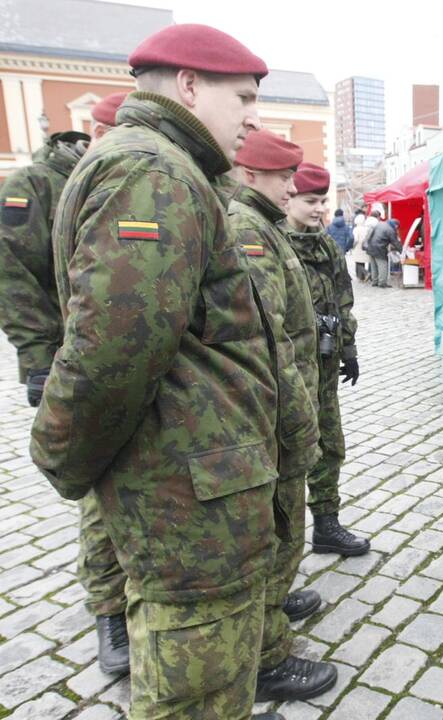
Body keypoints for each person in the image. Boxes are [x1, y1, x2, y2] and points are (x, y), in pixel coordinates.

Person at [30, 23, 285, 720]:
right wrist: (61, 457)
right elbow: (113, 353)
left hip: (194, 494)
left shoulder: (164, 167)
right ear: (191, 85)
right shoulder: (153, 173)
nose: (253, 116)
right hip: (188, 508)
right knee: (195, 694)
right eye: (244, 97)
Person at [0, 105, 137, 677]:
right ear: (96, 133)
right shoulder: (35, 185)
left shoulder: (125, 175)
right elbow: (11, 272)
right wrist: (37, 357)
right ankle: (109, 610)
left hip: (130, 356)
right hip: (74, 358)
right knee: (98, 487)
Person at [228, 129, 337, 702]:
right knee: (276, 526)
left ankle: (273, 610)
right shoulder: (248, 230)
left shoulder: (262, 224)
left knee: (281, 524)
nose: (294, 188)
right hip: (275, 406)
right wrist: (296, 418)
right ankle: (268, 658)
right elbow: (270, 337)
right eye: (282, 178)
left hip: (288, 395)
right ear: (250, 176)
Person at [284, 163, 370, 556]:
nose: (319, 209)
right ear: (289, 198)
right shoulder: (273, 244)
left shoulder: (324, 246)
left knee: (330, 444)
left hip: (323, 367)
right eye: (310, 201)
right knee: (287, 456)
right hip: (288, 371)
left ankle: (326, 524)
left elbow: (342, 299)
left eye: (323, 201)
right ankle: (280, 545)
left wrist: (347, 348)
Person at [367, 217, 402, 288]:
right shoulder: (390, 230)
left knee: (374, 265)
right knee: (383, 265)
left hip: (370, 247)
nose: (397, 228)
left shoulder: (379, 224)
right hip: (379, 248)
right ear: (395, 225)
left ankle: (375, 281)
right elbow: (395, 242)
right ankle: (382, 282)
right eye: (397, 226)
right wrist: (401, 250)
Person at [351, 206, 371, 282]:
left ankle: (366, 273)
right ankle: (361, 277)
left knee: (358, 262)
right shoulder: (366, 228)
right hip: (364, 246)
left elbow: (355, 239)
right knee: (362, 261)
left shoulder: (356, 229)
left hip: (358, 246)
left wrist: (352, 246)